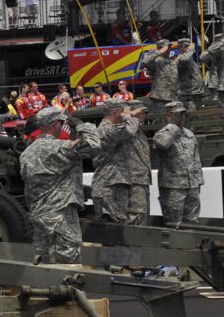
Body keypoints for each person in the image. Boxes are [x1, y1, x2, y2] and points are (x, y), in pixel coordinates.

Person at [20, 107, 100, 263]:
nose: (63, 126)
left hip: (38, 215)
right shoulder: (61, 148)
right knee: (67, 263)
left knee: (43, 262)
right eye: (62, 123)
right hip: (60, 214)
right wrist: (82, 126)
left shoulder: (26, 153)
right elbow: (93, 145)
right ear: (55, 124)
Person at [92, 99, 142, 223]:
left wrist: (128, 116)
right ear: (116, 112)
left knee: (119, 225)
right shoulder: (105, 129)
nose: (127, 113)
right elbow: (129, 131)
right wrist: (130, 117)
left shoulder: (114, 128)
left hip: (116, 184)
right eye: (124, 111)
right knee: (111, 227)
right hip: (107, 187)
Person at [154, 102, 203, 224]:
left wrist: (198, 181)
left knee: (192, 221)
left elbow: (196, 159)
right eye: (178, 115)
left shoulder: (189, 134)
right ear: (168, 115)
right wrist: (173, 125)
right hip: (173, 187)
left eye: (183, 115)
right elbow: (162, 144)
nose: (181, 118)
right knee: (173, 222)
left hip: (192, 186)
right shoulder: (163, 133)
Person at [125, 101, 151, 225]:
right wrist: (130, 116)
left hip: (142, 180)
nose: (143, 116)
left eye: (144, 113)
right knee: (135, 217)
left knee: (143, 215)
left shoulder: (140, 132)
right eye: (140, 113)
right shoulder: (126, 130)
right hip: (133, 180)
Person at [143, 39, 179, 113]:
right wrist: (159, 51)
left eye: (169, 48)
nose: (168, 50)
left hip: (173, 97)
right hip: (160, 98)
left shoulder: (171, 62)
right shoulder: (156, 61)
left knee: (174, 118)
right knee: (160, 118)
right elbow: (145, 61)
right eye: (166, 48)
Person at [176, 38, 206, 110]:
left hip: (196, 92)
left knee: (198, 114)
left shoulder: (190, 60)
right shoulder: (180, 58)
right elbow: (185, 59)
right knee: (191, 114)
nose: (190, 48)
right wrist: (191, 50)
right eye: (187, 46)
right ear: (181, 48)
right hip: (188, 94)